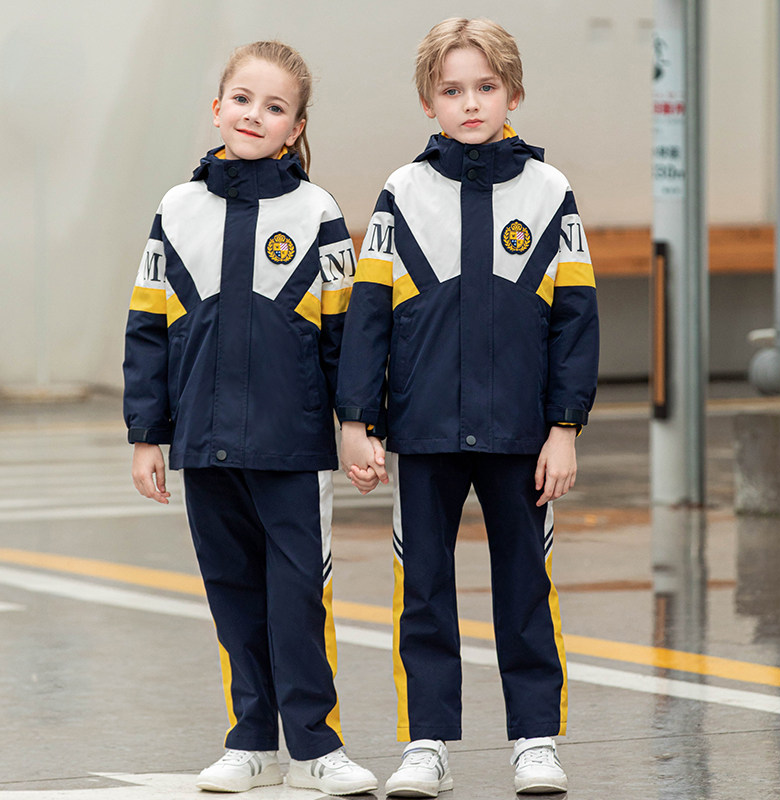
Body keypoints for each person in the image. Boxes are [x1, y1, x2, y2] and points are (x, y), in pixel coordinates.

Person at [336, 18, 599, 797]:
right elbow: (369, 318)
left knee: (526, 589)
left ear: (513, 92)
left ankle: (535, 741)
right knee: (421, 593)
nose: (471, 103)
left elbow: (575, 322)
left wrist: (564, 428)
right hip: (424, 432)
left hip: (523, 435)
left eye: (486, 87)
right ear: (429, 102)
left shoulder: (550, 193)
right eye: (452, 90)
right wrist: (357, 421)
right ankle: (426, 744)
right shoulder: (401, 192)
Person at [123, 40, 377, 796]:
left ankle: (318, 747)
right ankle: (252, 743)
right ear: (217, 108)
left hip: (292, 449)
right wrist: (148, 435)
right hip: (205, 446)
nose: (254, 115)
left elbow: (343, 335)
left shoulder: (317, 212)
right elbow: (147, 329)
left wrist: (355, 424)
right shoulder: (176, 210)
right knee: (232, 596)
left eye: (274, 107)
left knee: (298, 600)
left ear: (296, 128)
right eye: (242, 99)